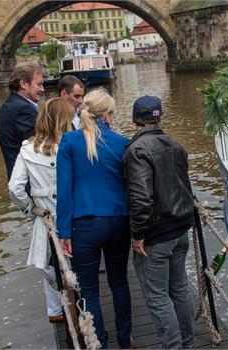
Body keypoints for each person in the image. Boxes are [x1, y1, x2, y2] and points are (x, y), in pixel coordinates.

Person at [56, 89, 133, 349]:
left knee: (89, 290)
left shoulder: (69, 142)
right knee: (119, 281)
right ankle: (125, 339)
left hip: (83, 225)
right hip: (117, 221)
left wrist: (63, 231)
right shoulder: (123, 142)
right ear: (108, 114)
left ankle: (99, 341)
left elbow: (64, 191)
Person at [122, 95, 195, 349]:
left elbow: (141, 198)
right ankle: (187, 343)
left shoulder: (137, 150)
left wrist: (138, 234)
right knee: (180, 289)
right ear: (159, 117)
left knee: (157, 298)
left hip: (156, 236)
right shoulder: (175, 145)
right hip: (180, 231)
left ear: (134, 120)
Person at [8, 98, 75, 322]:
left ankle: (56, 311)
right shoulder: (72, 144)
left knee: (48, 262)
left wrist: (29, 208)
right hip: (72, 214)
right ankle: (77, 304)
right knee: (73, 262)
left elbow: (15, 188)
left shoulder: (27, 149)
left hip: (45, 215)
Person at [0, 62, 45, 180]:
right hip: (29, 180)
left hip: (16, 178)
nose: (42, 89)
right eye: (39, 84)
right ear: (23, 84)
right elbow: (38, 147)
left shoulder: (9, 104)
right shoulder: (24, 109)